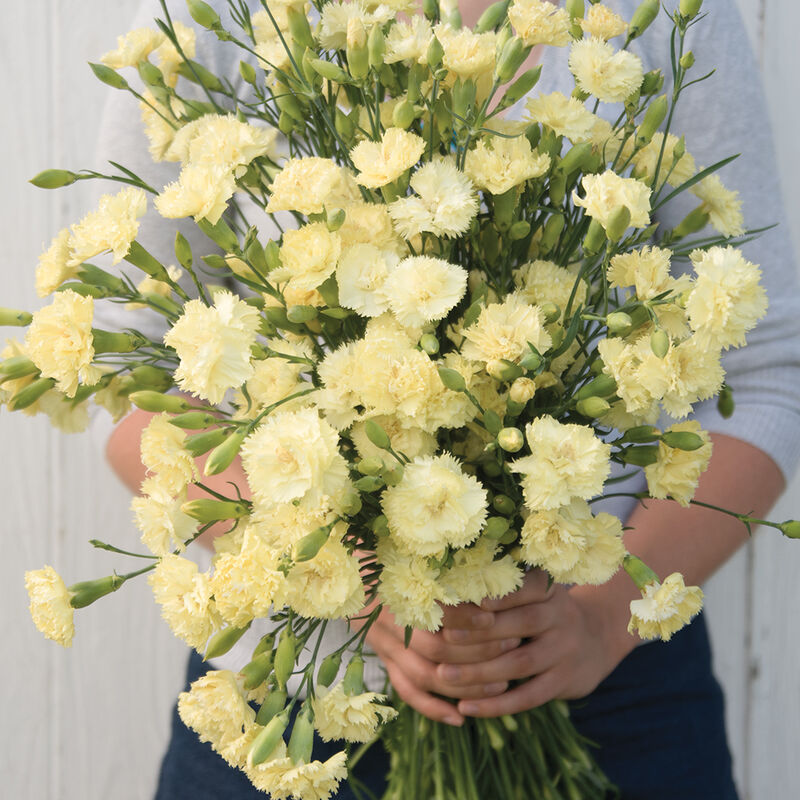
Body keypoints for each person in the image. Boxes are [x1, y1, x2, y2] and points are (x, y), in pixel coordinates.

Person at [96, 1, 800, 797]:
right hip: (291, 697)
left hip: (617, 685)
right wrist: (360, 579)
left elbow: (767, 370)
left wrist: (601, 620)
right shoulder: (215, 24)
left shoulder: (673, 15)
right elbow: (127, 377)